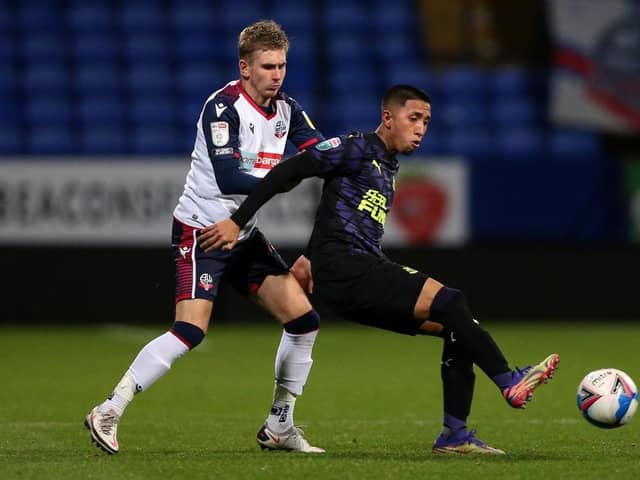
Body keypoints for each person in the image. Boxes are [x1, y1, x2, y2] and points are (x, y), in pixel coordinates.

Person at [199, 84, 560, 455]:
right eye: (414, 118)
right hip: (346, 269)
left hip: (352, 272)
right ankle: (508, 382)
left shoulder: (386, 164)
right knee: (452, 301)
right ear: (388, 117)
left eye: (427, 121)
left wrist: (309, 254)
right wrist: (237, 220)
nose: (421, 128)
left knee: (459, 326)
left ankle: (454, 435)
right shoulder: (356, 148)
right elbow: (290, 170)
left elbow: (337, 211)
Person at [85, 20, 326, 454]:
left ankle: (279, 425)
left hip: (244, 234)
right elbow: (229, 175)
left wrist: (356, 154)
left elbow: (320, 152)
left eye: (282, 66)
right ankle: (110, 408)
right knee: (190, 331)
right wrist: (289, 176)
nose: (277, 74)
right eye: (268, 66)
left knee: (304, 319)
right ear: (245, 67)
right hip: (203, 233)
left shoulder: (288, 109)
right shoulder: (223, 107)